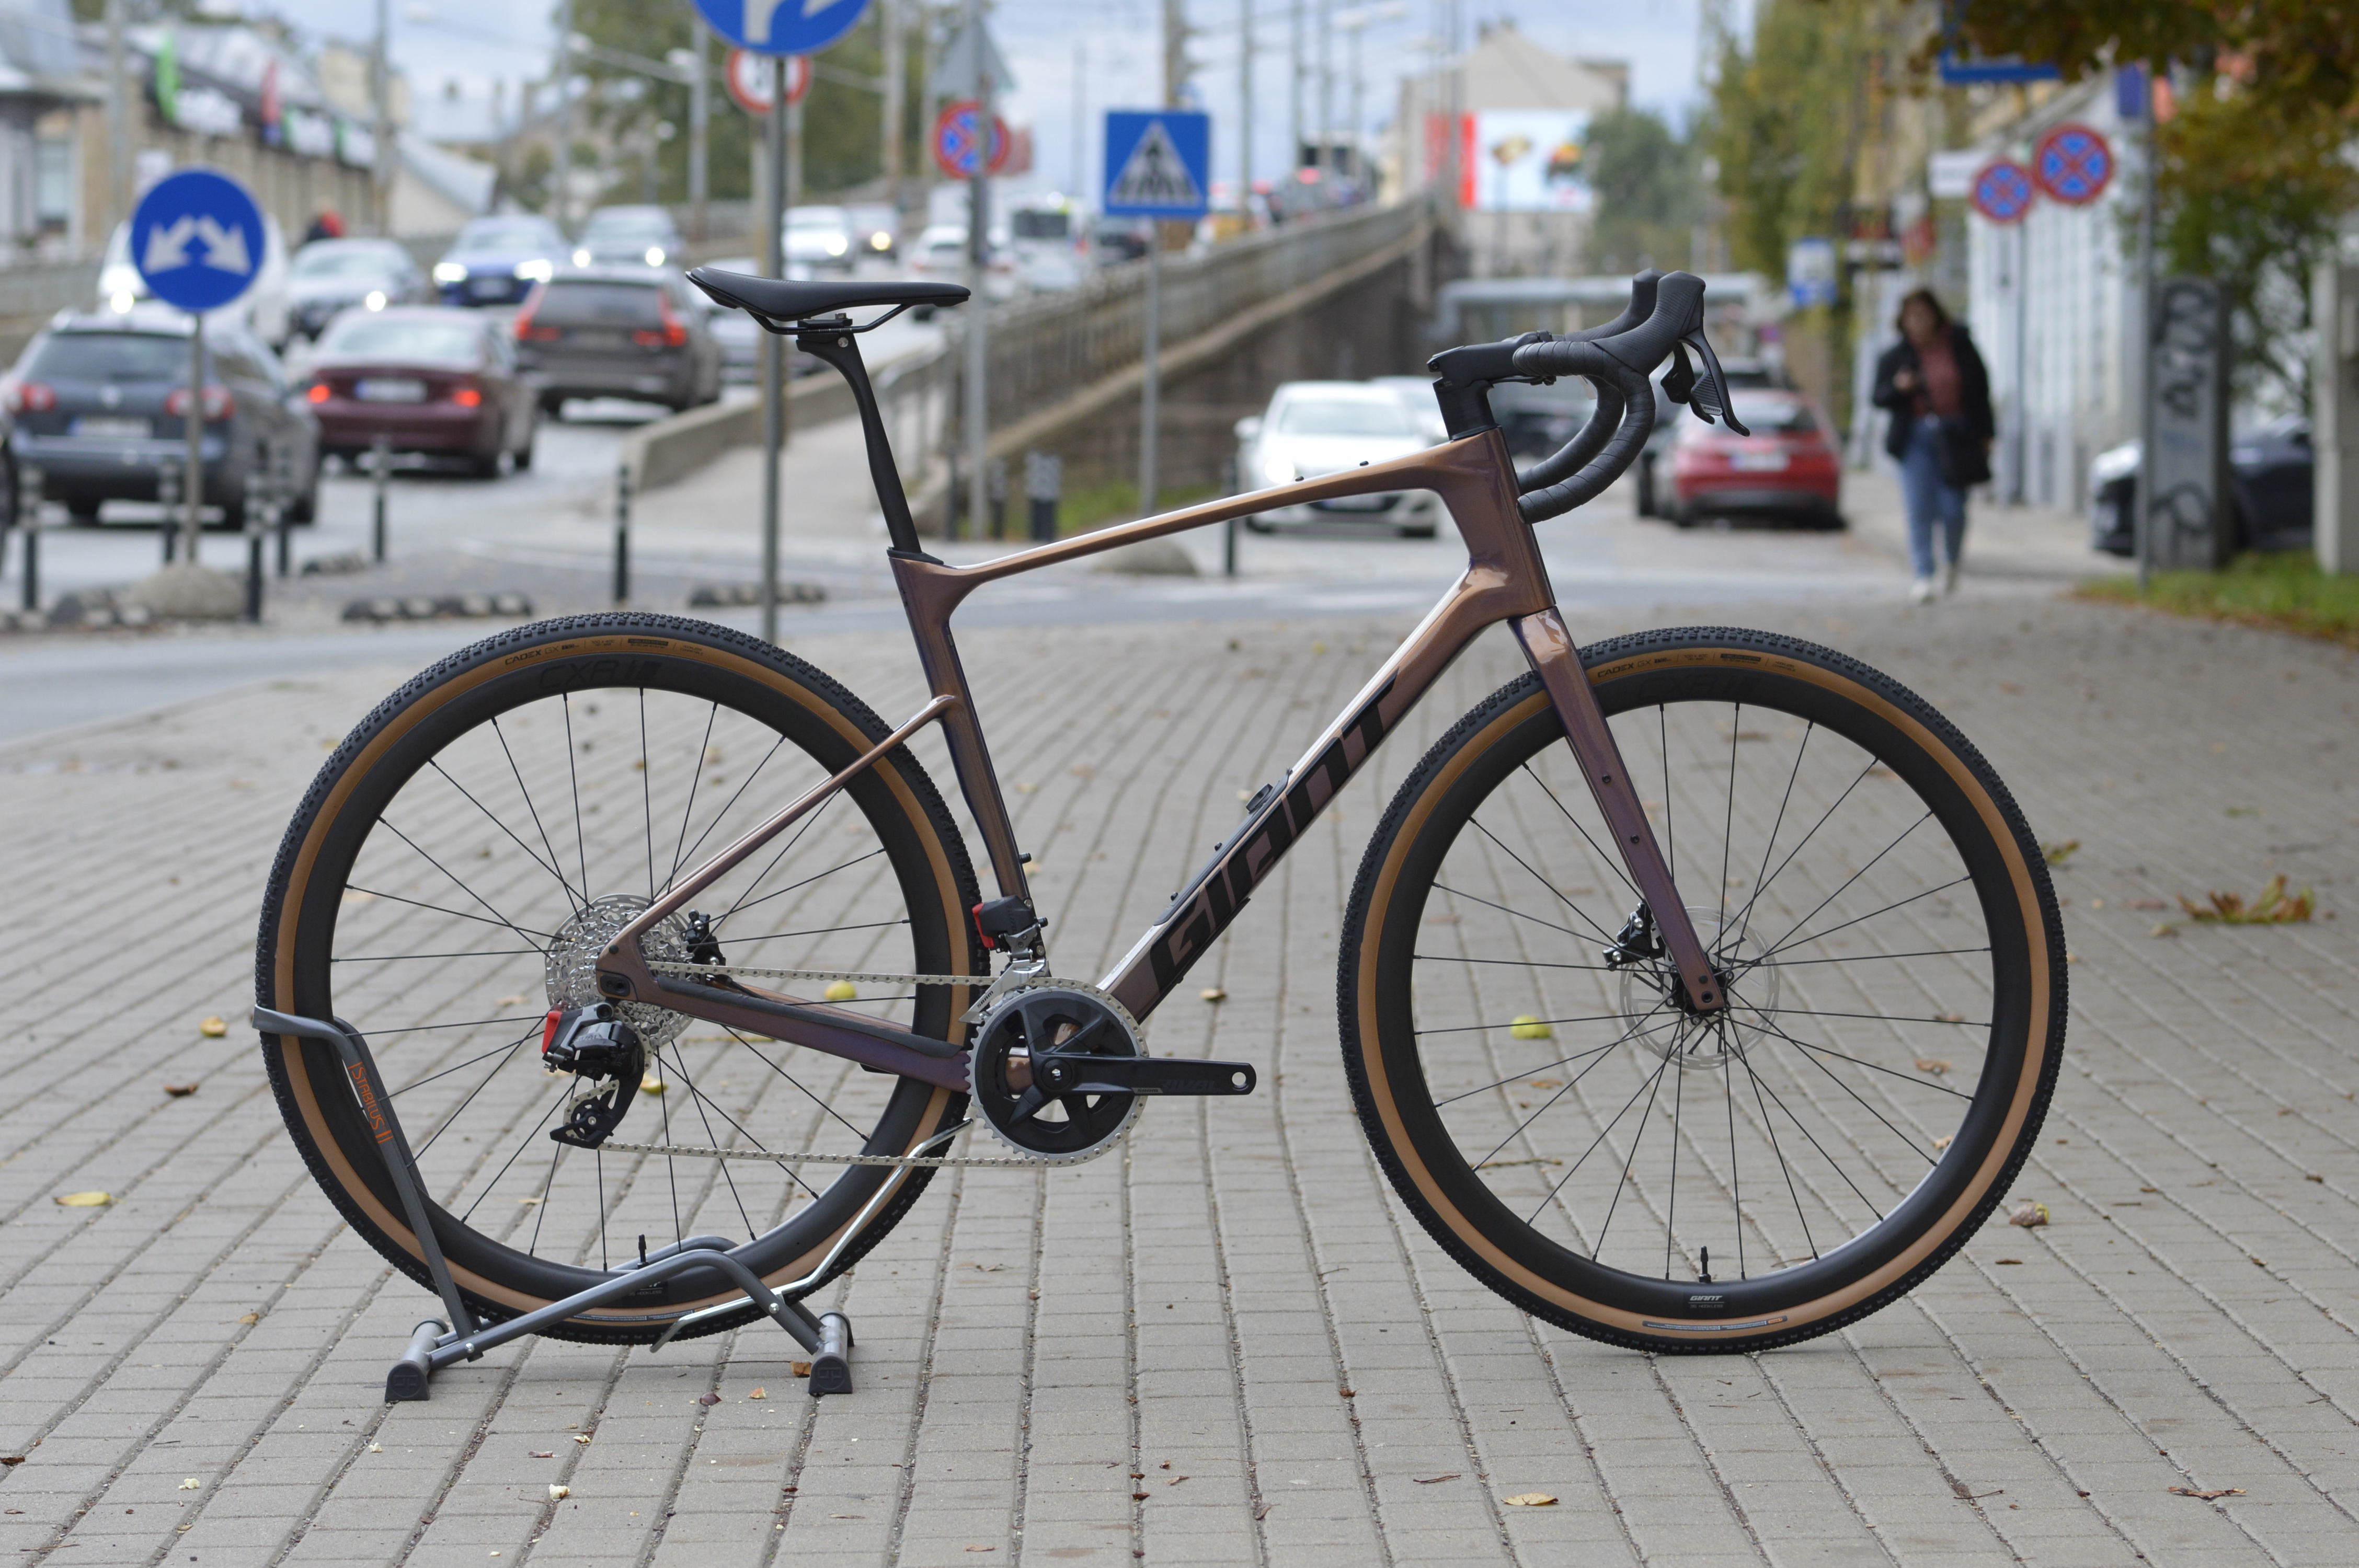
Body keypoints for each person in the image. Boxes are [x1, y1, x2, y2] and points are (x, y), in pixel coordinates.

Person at [1872, 289, 1994, 603]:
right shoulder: (1896, 356)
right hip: (1913, 437)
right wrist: (1900, 388)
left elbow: (1981, 393)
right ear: (1902, 321)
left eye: (1923, 315)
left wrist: (1987, 435)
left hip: (1956, 435)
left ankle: (1951, 561)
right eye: (1911, 316)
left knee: (1954, 509)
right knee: (1918, 507)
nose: (1918, 322)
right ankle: (1923, 574)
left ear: (1936, 316)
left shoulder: (1961, 348)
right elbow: (1878, 397)